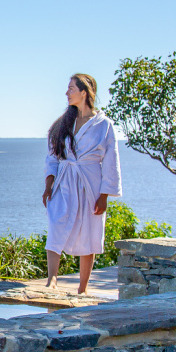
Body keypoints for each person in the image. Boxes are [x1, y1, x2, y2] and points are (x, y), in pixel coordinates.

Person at [41, 74, 122, 294]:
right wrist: (49, 185)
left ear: (84, 92)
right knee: (56, 222)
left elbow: (111, 161)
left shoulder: (103, 125)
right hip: (65, 180)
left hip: (90, 183)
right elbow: (52, 156)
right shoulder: (63, 124)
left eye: (71, 89)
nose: (67, 93)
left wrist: (105, 195)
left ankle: (83, 287)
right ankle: (52, 280)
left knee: (90, 230)